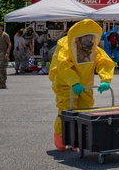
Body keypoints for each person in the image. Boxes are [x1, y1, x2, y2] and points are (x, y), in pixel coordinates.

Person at [49, 19, 115, 151]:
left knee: (85, 110)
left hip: (85, 85)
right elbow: (63, 66)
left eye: (90, 38)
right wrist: (74, 82)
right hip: (65, 84)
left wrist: (105, 80)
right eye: (85, 38)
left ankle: (78, 139)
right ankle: (61, 137)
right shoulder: (65, 47)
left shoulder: (93, 48)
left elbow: (104, 62)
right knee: (67, 110)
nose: (88, 41)